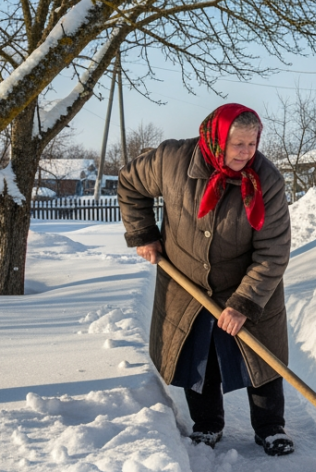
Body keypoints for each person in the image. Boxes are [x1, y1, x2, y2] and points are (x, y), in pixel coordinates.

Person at [117, 104, 295, 455]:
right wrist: (143, 233)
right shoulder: (171, 160)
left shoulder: (267, 180)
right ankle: (207, 425)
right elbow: (129, 183)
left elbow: (273, 251)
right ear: (216, 139)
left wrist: (243, 303)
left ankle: (271, 427)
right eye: (238, 144)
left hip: (245, 281)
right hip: (187, 281)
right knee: (199, 356)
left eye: (252, 143)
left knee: (261, 359)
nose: (246, 153)